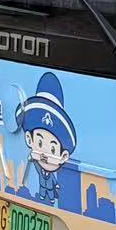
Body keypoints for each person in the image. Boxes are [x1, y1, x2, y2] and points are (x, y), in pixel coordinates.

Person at [17, 72, 77, 206]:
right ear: (29, 139)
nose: (44, 151)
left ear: (64, 156)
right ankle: (45, 195)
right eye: (39, 142)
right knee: (44, 184)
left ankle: (49, 196)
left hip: (49, 180)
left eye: (53, 148)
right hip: (43, 179)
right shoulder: (38, 162)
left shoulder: (46, 163)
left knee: (49, 186)